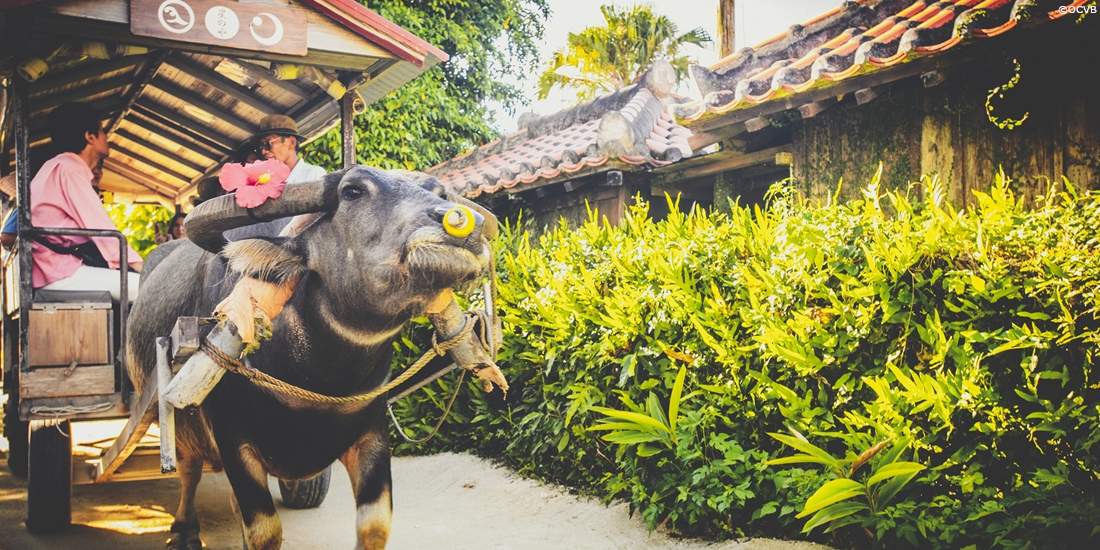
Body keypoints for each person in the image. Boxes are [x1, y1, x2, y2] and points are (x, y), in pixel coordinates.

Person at [30, 102, 141, 302]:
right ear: (90, 136)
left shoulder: (56, 166)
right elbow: (100, 226)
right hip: (58, 272)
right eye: (101, 131)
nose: (106, 138)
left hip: (50, 267)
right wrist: (141, 266)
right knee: (149, 288)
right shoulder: (69, 168)